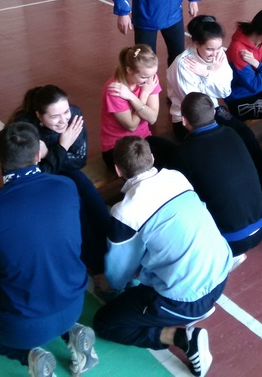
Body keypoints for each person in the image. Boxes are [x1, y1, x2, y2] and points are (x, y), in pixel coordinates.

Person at [0, 122, 99, 377]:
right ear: (37, 155)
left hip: (26, 327)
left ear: (0, 159)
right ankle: (73, 332)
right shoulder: (66, 186)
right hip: (75, 304)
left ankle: (30, 356)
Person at [93, 136, 232, 377]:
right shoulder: (177, 178)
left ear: (117, 170)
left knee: (106, 322)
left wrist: (109, 283)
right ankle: (191, 309)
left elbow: (119, 274)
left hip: (186, 300)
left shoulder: (125, 213)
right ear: (152, 158)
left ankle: (181, 337)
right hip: (220, 276)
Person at [8, 85, 110, 283]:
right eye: (55, 116)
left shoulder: (75, 117)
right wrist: (63, 146)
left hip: (59, 166)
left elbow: (79, 160)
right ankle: (97, 266)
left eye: (66, 111)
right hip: (35, 181)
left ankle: (114, 247)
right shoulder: (25, 130)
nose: (64, 120)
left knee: (89, 192)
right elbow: (41, 174)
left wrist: (50, 153)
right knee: (74, 205)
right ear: (39, 116)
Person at [179, 92, 262, 265]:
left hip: (231, 240)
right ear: (214, 113)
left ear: (183, 120)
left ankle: (226, 257)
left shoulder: (185, 151)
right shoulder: (231, 132)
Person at [100, 45, 178, 171]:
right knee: (154, 168)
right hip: (118, 147)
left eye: (153, 74)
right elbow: (131, 126)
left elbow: (152, 118)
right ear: (129, 70)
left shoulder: (150, 79)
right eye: (143, 77)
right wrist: (143, 95)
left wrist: (136, 96)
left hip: (142, 139)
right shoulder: (115, 89)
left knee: (177, 155)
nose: (149, 80)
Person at [166, 15, 233, 140]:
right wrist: (211, 74)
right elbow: (195, 105)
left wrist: (208, 74)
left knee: (243, 133)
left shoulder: (219, 55)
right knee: (219, 142)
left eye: (219, 48)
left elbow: (225, 92)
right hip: (190, 120)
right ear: (196, 43)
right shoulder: (183, 64)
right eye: (210, 49)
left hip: (213, 110)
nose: (215, 54)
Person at [225, 7, 262, 120]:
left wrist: (257, 64)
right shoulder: (238, 50)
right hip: (239, 98)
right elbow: (255, 86)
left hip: (259, 91)